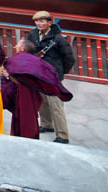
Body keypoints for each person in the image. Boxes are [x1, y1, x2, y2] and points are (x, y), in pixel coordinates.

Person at [1, 39, 72, 138]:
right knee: (31, 117)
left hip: (24, 95)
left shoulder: (20, 60)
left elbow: (20, 80)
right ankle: (40, 130)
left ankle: (61, 136)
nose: (15, 46)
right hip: (33, 93)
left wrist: (7, 75)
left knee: (25, 118)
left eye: (17, 45)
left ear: (22, 48)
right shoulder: (35, 61)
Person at [27, 11, 76, 143]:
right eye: (37, 21)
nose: (39, 23)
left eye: (42, 21)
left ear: (49, 23)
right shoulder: (32, 35)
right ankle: (46, 124)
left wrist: (59, 72)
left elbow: (69, 58)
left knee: (56, 105)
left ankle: (62, 135)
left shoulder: (58, 38)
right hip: (39, 74)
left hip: (53, 76)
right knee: (42, 102)